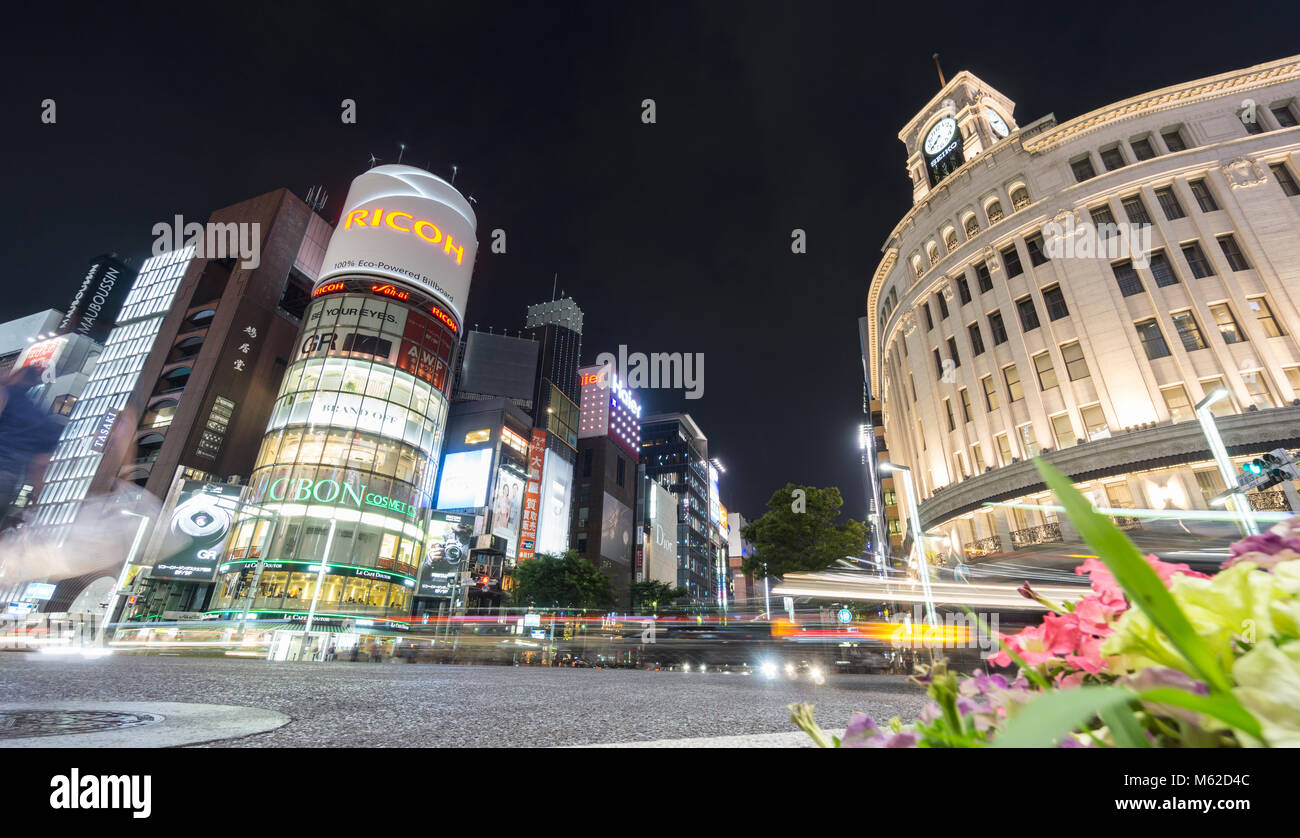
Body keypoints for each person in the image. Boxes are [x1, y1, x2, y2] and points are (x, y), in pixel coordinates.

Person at [0, 365, 63, 524]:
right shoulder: (41, 419)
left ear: (16, 376)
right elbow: (40, 465)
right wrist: (35, 505)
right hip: (7, 482)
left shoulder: (6, 393)